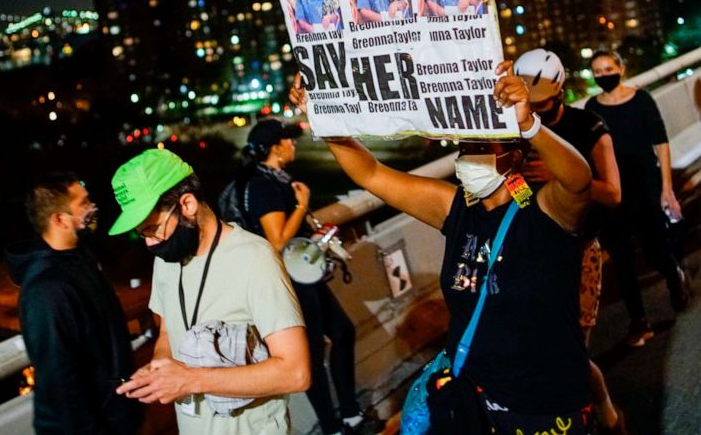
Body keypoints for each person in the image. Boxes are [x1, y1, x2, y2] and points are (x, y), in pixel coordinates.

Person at [290, 62, 597, 434]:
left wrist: (530, 124)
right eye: (465, 145)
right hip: (474, 396)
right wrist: (323, 117)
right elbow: (369, 174)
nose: (468, 155)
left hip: (545, 403)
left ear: (515, 155)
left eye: (482, 145)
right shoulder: (456, 209)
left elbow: (580, 180)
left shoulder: (546, 214)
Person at [109, 148, 311, 433]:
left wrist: (191, 380)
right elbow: (168, 332)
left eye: (153, 228)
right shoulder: (166, 262)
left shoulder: (254, 258)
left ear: (187, 204)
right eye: (142, 233)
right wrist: (161, 367)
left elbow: (296, 372)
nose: (151, 244)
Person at [232, 119, 373, 435]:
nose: (293, 144)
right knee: (311, 355)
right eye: (288, 140)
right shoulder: (261, 186)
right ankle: (333, 426)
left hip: (305, 274)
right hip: (290, 283)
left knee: (343, 332)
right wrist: (302, 205)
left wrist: (311, 227)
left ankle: (349, 413)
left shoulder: (279, 179)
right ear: (275, 148)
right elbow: (278, 240)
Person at [514, 49, 627, 434]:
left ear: (559, 93)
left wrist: (557, 174)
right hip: (534, 247)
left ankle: (607, 415)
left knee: (572, 349)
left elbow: (612, 193)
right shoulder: (517, 126)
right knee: (543, 346)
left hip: (579, 249)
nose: (534, 114)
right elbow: (515, 186)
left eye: (541, 105)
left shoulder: (589, 127)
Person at [5, 172, 142, 434]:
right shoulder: (47, 290)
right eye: (83, 203)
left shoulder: (80, 258)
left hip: (115, 417)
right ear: (59, 220)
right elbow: (61, 379)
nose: (93, 209)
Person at [585, 49, 693, 346]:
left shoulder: (642, 100)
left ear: (621, 68)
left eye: (608, 68)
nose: (603, 75)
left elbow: (661, 143)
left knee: (655, 249)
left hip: (646, 184)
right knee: (621, 259)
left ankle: (674, 277)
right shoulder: (593, 108)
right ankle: (638, 320)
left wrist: (666, 189)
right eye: (597, 71)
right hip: (614, 191)